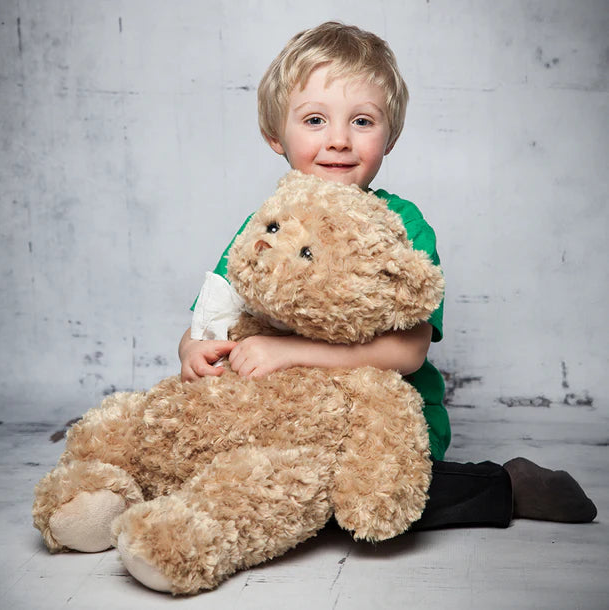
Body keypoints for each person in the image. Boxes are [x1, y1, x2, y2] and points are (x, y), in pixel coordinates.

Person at [178, 22, 596, 528]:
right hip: (290, 416)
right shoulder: (267, 226)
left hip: (380, 422)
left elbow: (408, 351)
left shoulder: (401, 226)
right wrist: (192, 351)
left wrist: (288, 353)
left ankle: (506, 485)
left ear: (390, 136)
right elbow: (212, 316)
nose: (338, 140)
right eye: (314, 120)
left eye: (361, 121)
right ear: (274, 135)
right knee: (233, 465)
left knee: (366, 497)